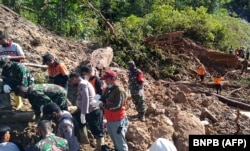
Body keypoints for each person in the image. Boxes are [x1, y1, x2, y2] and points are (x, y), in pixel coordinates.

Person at [93, 69, 129, 151]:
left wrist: (103, 105)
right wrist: (98, 99)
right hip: (110, 119)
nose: (105, 81)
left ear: (113, 79)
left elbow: (118, 106)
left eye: (107, 79)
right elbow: (104, 98)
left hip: (117, 120)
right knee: (116, 141)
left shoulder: (119, 91)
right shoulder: (108, 89)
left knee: (121, 143)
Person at [69, 72, 105, 150]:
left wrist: (83, 113)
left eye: (71, 81)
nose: (71, 83)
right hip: (89, 110)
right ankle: (88, 143)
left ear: (74, 78)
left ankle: (100, 147)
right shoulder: (82, 84)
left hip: (91, 110)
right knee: (92, 127)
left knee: (96, 129)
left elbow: (86, 99)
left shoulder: (83, 84)